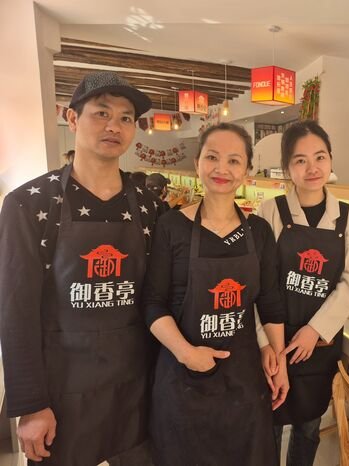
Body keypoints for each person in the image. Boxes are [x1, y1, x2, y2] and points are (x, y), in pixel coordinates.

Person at [0, 71, 159, 465]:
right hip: (61, 393)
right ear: (71, 119)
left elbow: (158, 299)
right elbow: (15, 310)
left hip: (134, 389)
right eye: (101, 113)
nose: (114, 126)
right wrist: (31, 404)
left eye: (125, 118)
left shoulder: (148, 206)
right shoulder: (30, 204)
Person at [142, 122, 289, 466]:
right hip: (183, 379)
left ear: (247, 171)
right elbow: (152, 303)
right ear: (197, 164)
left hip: (243, 378)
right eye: (212, 157)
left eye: (234, 161)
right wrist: (186, 353)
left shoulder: (259, 231)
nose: (222, 169)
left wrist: (278, 358)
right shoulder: (172, 226)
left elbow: (269, 301)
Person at [257, 121, 349, 466]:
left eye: (320, 157)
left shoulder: (348, 216)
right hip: (276, 342)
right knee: (269, 423)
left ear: (331, 160)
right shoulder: (271, 211)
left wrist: (315, 329)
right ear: (288, 168)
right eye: (301, 160)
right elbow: (260, 282)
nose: (312, 167)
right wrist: (268, 342)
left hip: (319, 345)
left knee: (309, 425)